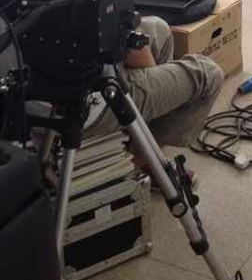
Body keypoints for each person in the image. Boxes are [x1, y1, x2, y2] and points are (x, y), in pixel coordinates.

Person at [85, 16, 224, 185]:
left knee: (159, 29)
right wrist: (153, 78)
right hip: (92, 99)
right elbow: (136, 54)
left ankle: (142, 141)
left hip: (71, 76)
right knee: (209, 75)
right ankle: (143, 159)